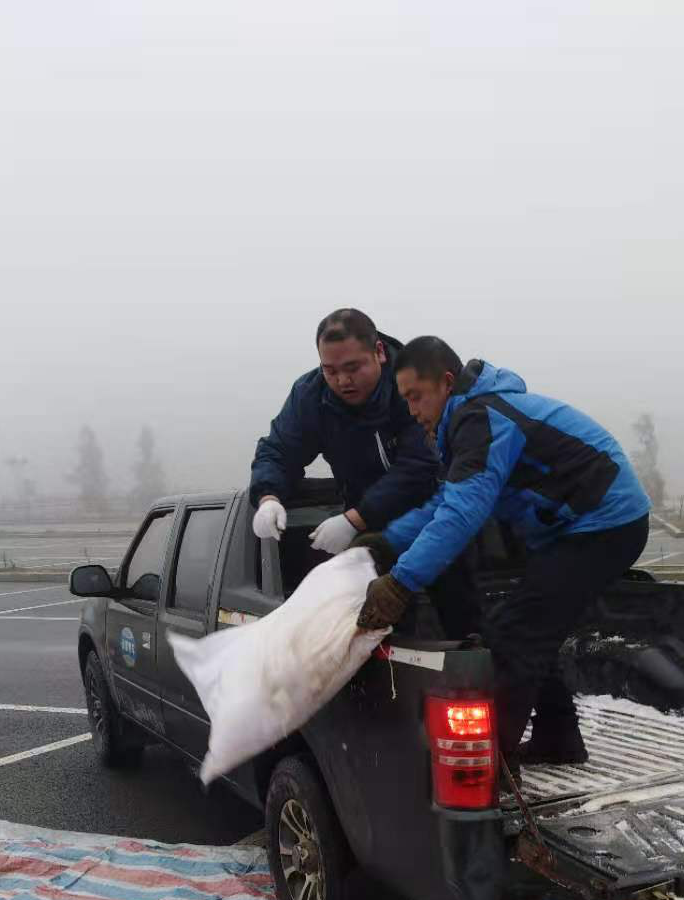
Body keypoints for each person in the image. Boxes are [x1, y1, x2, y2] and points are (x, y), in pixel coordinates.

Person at [357, 337, 651, 777]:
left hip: (605, 522)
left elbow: (463, 513)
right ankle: (558, 739)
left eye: (416, 397)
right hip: (577, 527)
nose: (412, 410)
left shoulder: (482, 418)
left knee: (515, 635)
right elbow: (446, 503)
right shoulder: (469, 420)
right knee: (530, 629)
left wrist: (400, 582)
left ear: (447, 382)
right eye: (405, 400)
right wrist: (387, 542)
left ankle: (489, 769)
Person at [249, 308, 480, 637]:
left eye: (352, 368)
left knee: (460, 619)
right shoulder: (311, 397)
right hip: (371, 529)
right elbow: (279, 450)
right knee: (382, 627)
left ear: (379, 353)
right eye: (329, 370)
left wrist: (354, 520)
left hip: (434, 518)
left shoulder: (409, 385)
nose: (342, 381)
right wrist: (268, 495)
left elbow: (419, 466)